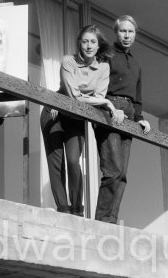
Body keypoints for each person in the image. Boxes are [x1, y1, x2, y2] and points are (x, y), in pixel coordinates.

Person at [40, 25, 121, 216]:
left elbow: (97, 96)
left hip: (76, 117)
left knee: (73, 160)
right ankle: (63, 208)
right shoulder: (68, 62)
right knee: (56, 163)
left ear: (99, 44)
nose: (89, 45)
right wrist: (105, 101)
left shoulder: (103, 67)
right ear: (79, 44)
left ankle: (76, 209)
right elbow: (74, 96)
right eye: (85, 41)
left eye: (93, 41)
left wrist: (102, 100)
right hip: (54, 112)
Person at [94, 15, 151, 224]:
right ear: (116, 33)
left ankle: (112, 219)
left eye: (131, 31)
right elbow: (96, 85)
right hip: (109, 109)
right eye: (123, 31)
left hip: (129, 114)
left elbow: (138, 96)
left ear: (135, 34)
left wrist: (140, 119)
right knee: (113, 170)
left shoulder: (136, 64)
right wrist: (108, 105)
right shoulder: (107, 55)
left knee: (122, 174)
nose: (127, 35)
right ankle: (102, 221)